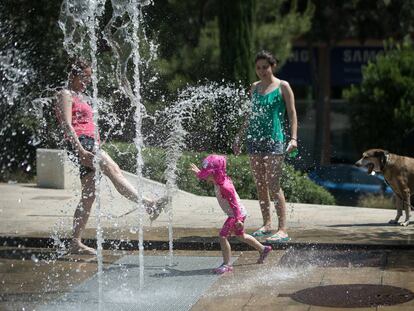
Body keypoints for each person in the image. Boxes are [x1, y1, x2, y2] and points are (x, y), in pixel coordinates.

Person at [56, 59, 166, 255]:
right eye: (84, 77)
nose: (87, 82)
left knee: (89, 195)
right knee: (114, 170)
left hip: (90, 143)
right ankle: (149, 204)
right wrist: (80, 149)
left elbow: (87, 123)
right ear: (73, 75)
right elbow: (66, 124)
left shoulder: (81, 96)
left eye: (89, 78)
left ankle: (75, 242)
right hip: (81, 144)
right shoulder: (65, 94)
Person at [233, 50, 298, 243]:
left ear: (273, 66)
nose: (262, 71)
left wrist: (293, 138)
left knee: (273, 184)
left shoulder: (283, 86)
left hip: (275, 141)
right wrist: (239, 136)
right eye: (259, 68)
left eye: (265, 67)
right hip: (254, 140)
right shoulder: (253, 88)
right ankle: (267, 223)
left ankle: (283, 229)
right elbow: (248, 116)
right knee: (260, 184)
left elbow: (293, 114)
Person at [190, 155, 272, 274]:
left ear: (215, 173)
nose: (205, 177)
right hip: (237, 214)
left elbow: (234, 204)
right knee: (241, 236)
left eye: (207, 174)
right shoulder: (218, 180)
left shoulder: (225, 187)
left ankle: (227, 264)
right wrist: (199, 173)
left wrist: (238, 219)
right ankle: (263, 249)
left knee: (223, 236)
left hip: (236, 214)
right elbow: (208, 177)